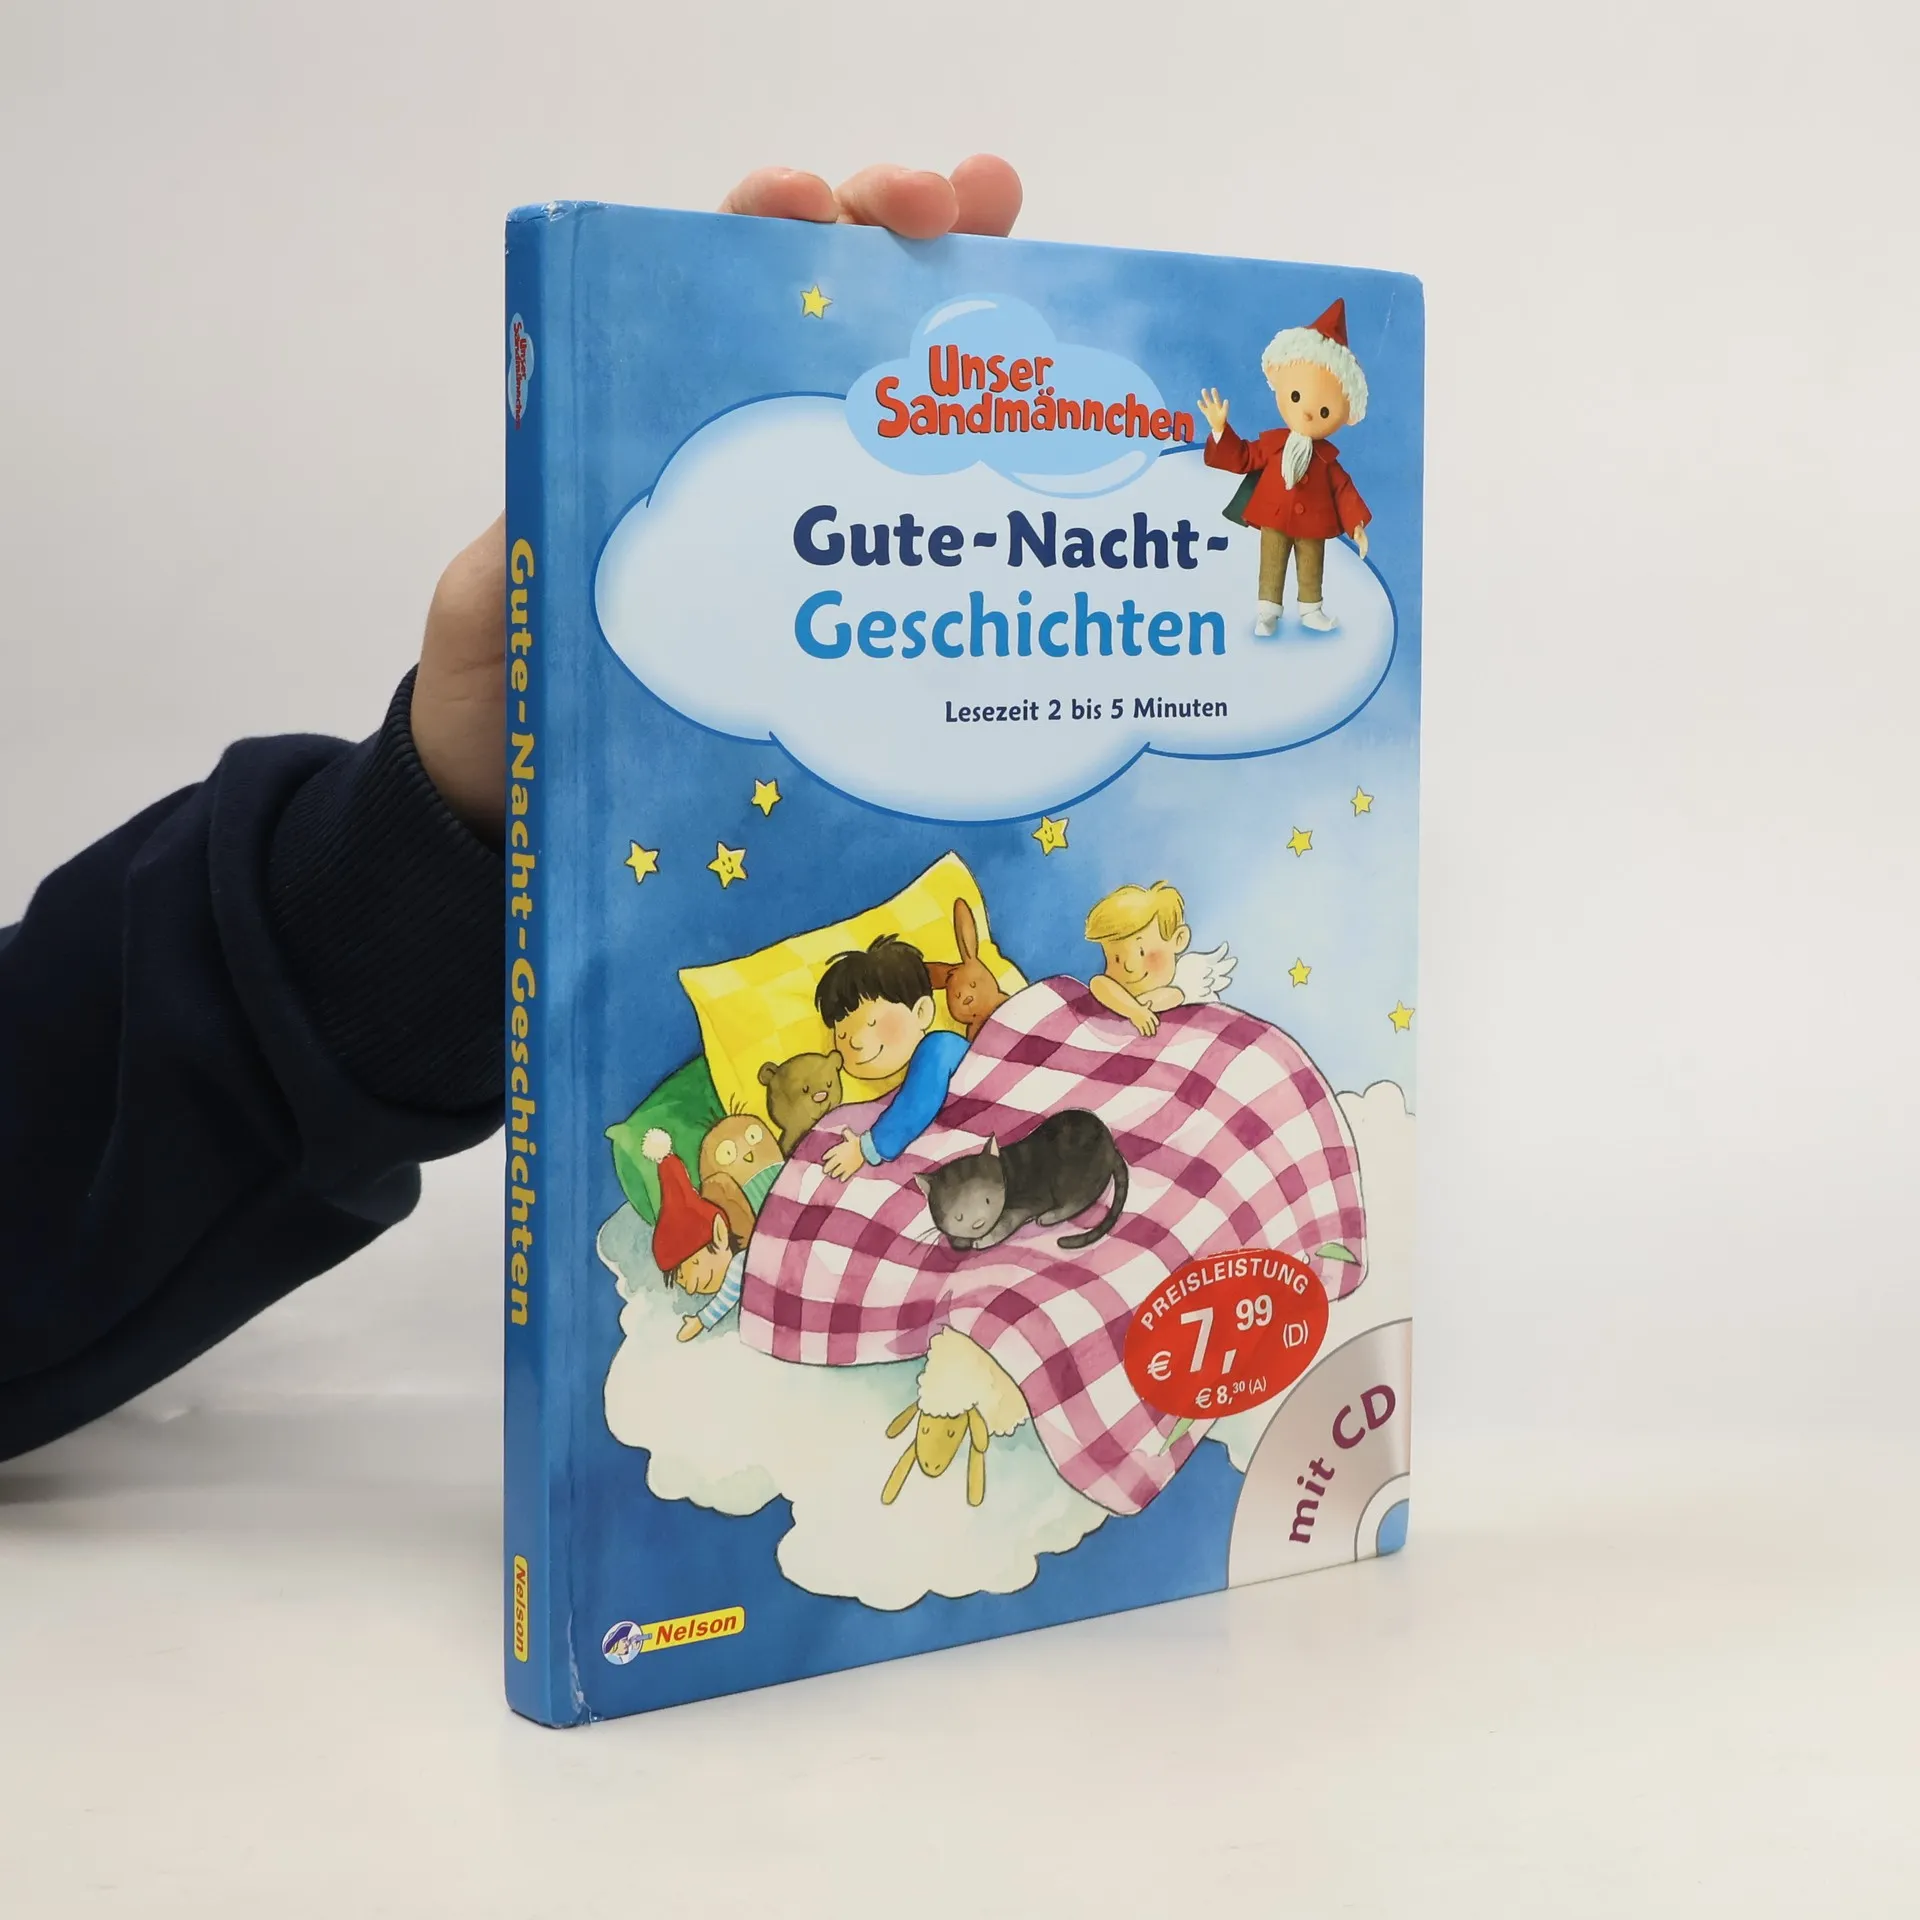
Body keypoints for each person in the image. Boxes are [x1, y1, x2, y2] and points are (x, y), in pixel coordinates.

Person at [0, 156, 1025, 1464]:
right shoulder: (816, 1111)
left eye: (881, 1018)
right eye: (862, 1024)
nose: (874, 1033)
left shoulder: (934, 1054)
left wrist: (436, 820)